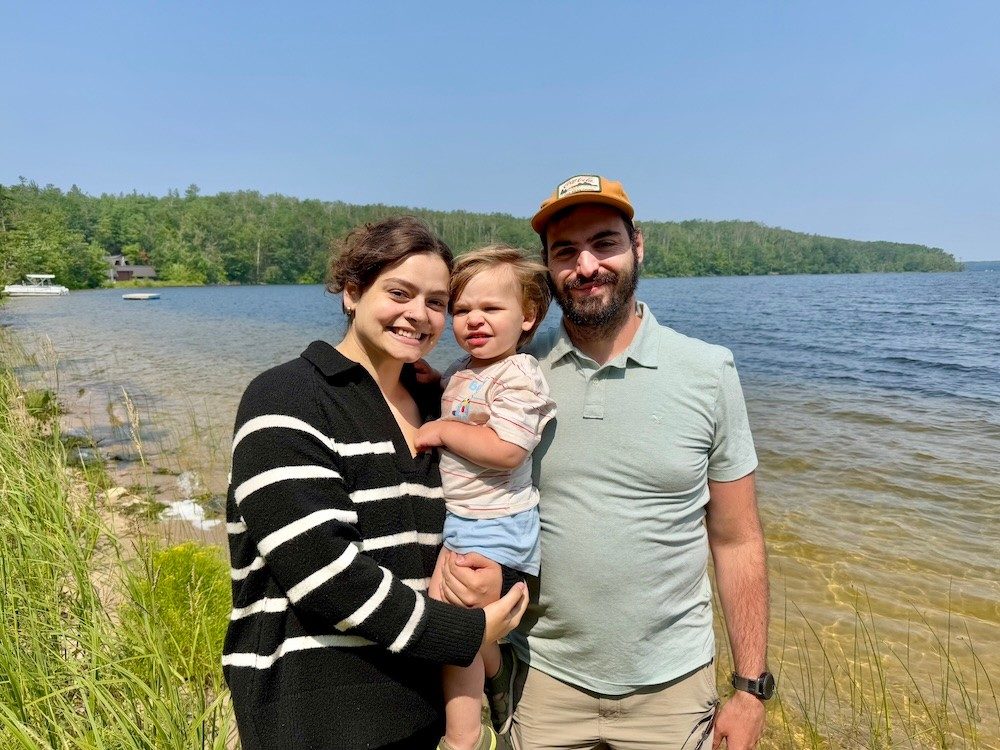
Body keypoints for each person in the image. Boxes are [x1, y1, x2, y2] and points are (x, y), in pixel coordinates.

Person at [440, 175, 772, 750]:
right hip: (541, 681)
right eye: (566, 251)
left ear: (637, 245)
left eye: (604, 243)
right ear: (548, 268)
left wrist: (749, 688)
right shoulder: (507, 370)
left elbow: (737, 538)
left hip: (673, 687)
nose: (587, 265)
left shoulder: (709, 370)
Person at [222, 217, 529, 750]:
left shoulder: (440, 408)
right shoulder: (287, 397)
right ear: (352, 292)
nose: (419, 314)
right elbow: (321, 570)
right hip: (316, 714)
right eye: (399, 293)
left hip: (422, 710)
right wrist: (468, 633)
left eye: (437, 302)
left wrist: (493, 585)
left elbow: (488, 513)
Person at [414, 246, 556, 750]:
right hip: (467, 518)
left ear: (528, 316)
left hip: (496, 521)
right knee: (457, 615)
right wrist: (435, 383)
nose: (474, 320)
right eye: (461, 309)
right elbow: (467, 403)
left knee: (454, 625)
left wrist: (441, 430)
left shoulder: (519, 374)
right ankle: (499, 672)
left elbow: (507, 450)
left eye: (491, 308)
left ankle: (463, 738)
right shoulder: (465, 368)